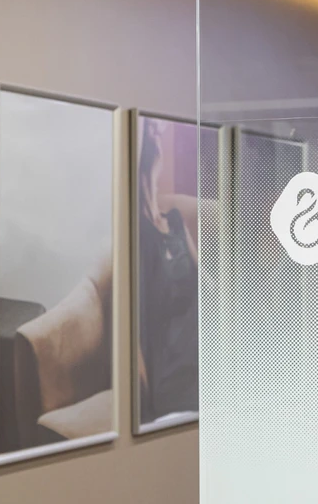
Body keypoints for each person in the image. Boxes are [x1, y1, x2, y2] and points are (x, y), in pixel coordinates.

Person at [137, 118, 200, 424]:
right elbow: (132, 330)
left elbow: (209, 287)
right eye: (149, 129)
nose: (157, 133)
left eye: (157, 130)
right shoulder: (137, 234)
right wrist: (144, 398)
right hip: (170, 370)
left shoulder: (175, 220)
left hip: (199, 346)